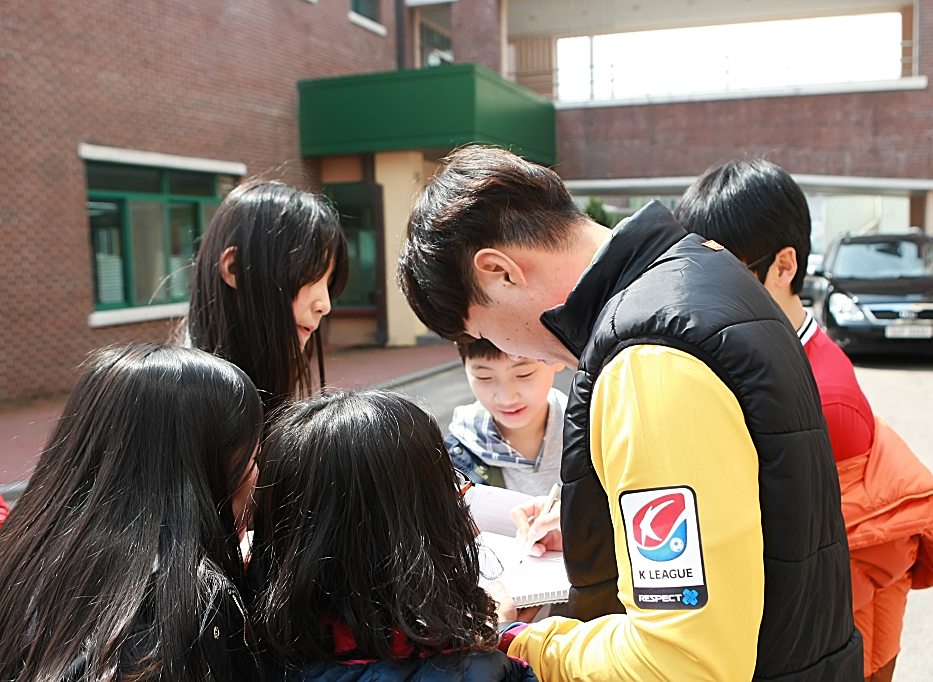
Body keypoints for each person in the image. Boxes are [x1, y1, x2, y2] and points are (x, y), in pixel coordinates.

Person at [397, 145, 862, 681]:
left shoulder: (647, 362)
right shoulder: (705, 274)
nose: (505, 349)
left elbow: (679, 662)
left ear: (500, 273)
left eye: (482, 331)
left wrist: (521, 642)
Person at [675, 159, 933, 682]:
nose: (702, 294)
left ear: (784, 265)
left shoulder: (824, 398)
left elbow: (821, 562)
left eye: (724, 273)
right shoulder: (772, 358)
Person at [0, 344, 264, 682]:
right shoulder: (192, 612)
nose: (259, 477)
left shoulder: (22, 564)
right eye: (253, 458)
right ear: (199, 474)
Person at [249, 389, 537, 682]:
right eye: (450, 490)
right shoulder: (481, 671)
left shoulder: (242, 649)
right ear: (413, 533)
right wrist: (502, 634)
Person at [184, 179, 349, 412]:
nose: (325, 305)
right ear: (236, 269)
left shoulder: (252, 399)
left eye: (328, 281)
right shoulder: (187, 405)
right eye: (309, 275)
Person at [446, 338, 567, 496]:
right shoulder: (453, 457)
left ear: (556, 358)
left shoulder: (595, 433)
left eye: (523, 374)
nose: (507, 398)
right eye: (484, 377)